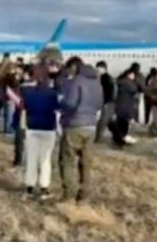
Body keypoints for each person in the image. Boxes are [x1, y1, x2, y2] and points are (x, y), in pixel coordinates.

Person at [59, 58, 103, 204]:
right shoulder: (96, 82)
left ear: (74, 66)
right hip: (91, 125)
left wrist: (61, 104)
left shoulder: (77, 81)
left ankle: (69, 194)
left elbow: (70, 103)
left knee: (68, 159)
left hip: (75, 124)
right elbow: (99, 103)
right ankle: (84, 195)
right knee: (86, 162)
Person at [20, 64, 59, 200]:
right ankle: (44, 188)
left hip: (32, 127)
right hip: (48, 128)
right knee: (45, 160)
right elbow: (58, 108)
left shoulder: (28, 92)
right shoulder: (53, 94)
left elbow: (23, 106)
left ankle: (29, 187)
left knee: (31, 158)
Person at [112, 69, 138, 147]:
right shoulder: (129, 84)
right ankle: (122, 139)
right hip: (126, 105)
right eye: (132, 75)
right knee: (124, 124)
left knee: (119, 122)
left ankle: (118, 138)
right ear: (128, 75)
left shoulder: (119, 82)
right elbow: (135, 90)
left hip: (119, 105)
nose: (134, 76)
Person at [94, 61, 116, 143]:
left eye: (98, 69)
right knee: (109, 121)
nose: (97, 70)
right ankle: (118, 137)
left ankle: (97, 139)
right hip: (108, 102)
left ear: (103, 69)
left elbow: (109, 92)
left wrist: (105, 102)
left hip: (107, 103)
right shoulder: (104, 78)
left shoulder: (105, 78)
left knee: (103, 121)